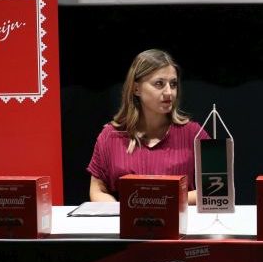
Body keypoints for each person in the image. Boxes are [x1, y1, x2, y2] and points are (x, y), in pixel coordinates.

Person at [87, 49, 209, 204]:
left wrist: (158, 199)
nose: (169, 92)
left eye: (173, 84)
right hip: (128, 220)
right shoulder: (110, 136)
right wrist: (119, 210)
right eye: (159, 84)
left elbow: (216, 188)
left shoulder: (194, 134)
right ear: (136, 88)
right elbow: (97, 190)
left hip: (179, 219)